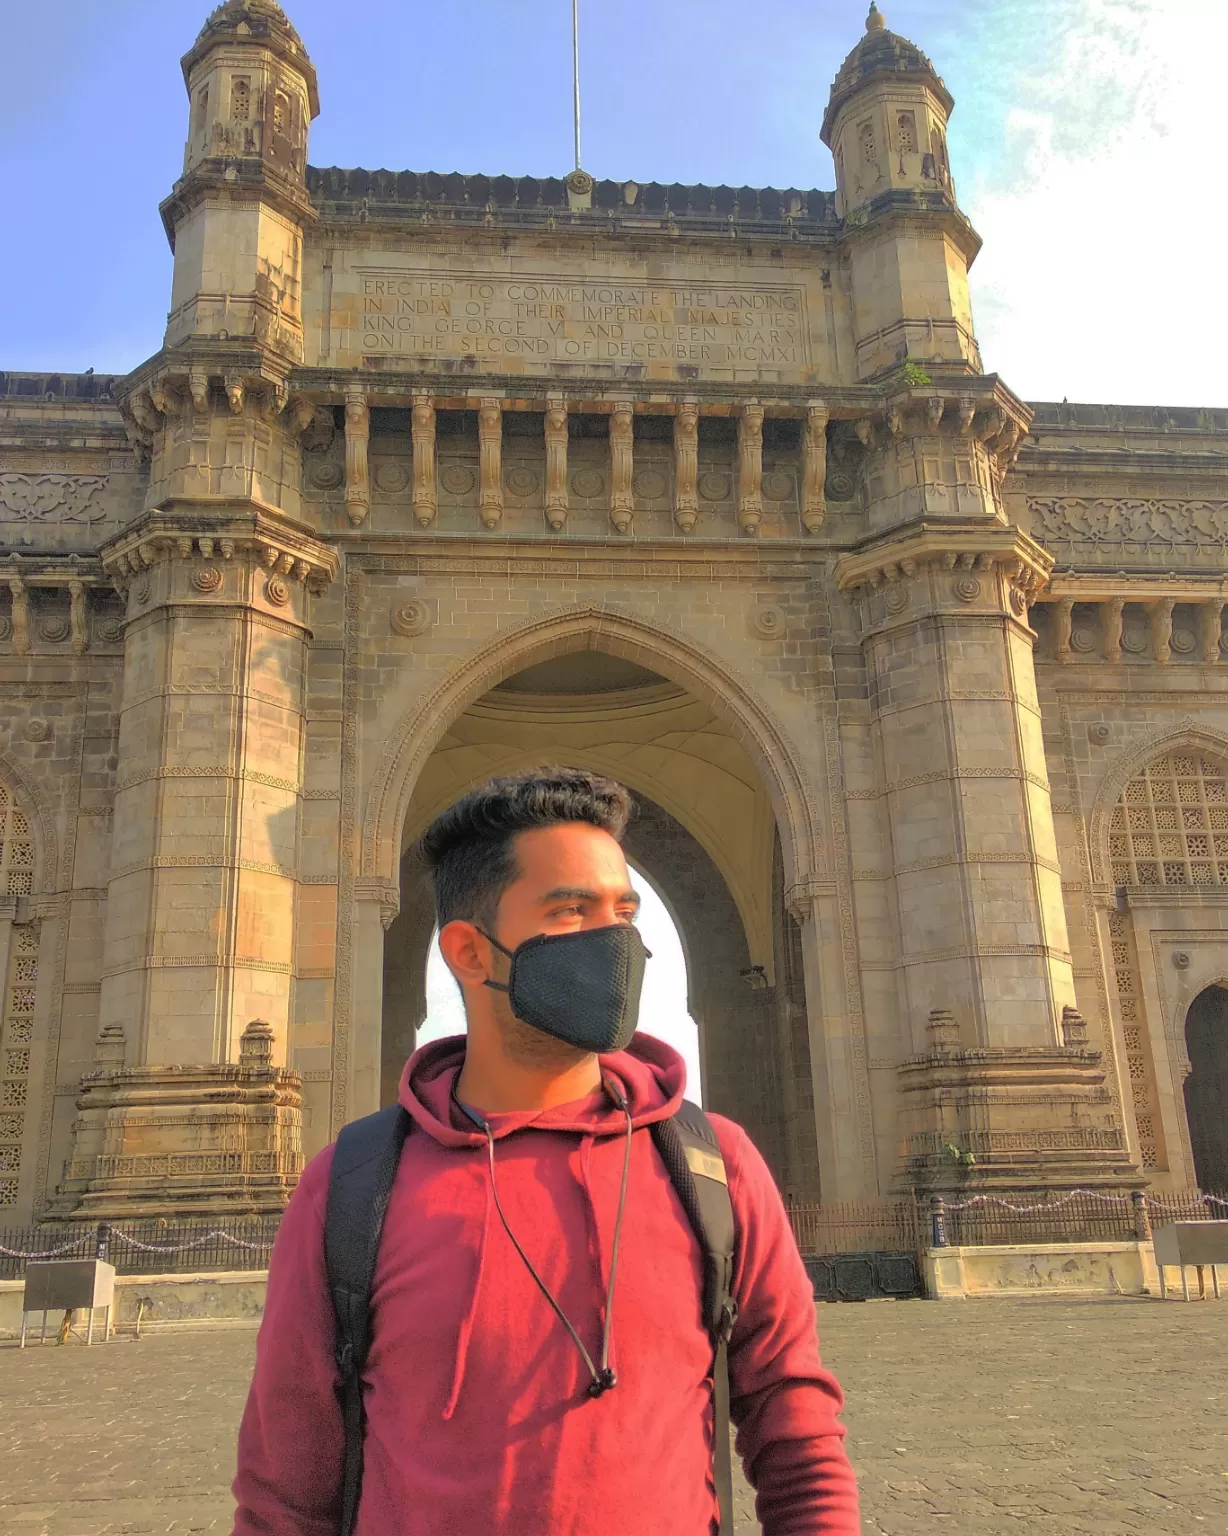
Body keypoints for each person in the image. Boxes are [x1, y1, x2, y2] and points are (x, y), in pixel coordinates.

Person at [232, 766, 859, 1535]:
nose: (617, 941)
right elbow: (284, 1495)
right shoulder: (352, 1189)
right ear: (469, 952)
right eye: (571, 911)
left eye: (623, 911)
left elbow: (799, 1443)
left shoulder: (713, 1167)